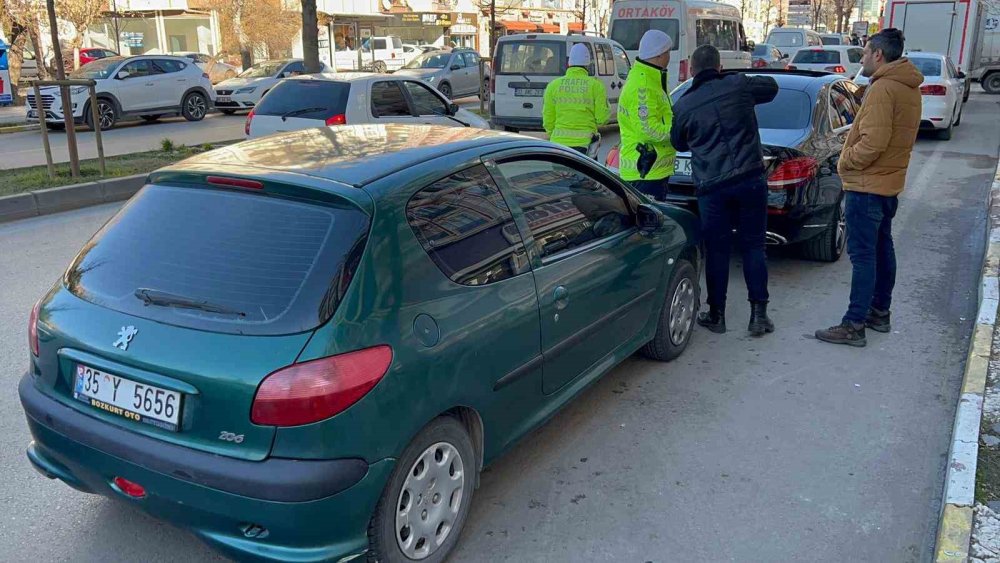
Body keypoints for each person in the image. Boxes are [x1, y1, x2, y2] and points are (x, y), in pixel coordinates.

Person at [815, 28, 922, 347]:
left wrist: (844, 161)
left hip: (867, 184)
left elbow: (873, 142)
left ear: (878, 54)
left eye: (864, 52)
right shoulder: (907, 86)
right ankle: (879, 313)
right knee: (881, 249)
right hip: (887, 184)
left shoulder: (883, 88)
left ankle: (853, 324)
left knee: (863, 257)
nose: (861, 58)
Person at [669, 45, 779, 336]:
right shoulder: (738, 84)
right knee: (753, 246)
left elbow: (678, 143)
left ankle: (716, 315)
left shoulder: (683, 104)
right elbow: (772, 87)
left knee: (717, 251)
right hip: (750, 178)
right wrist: (730, 78)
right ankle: (758, 315)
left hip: (712, 186)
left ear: (692, 70)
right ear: (719, 67)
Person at [618, 30, 676, 200]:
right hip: (645, 171)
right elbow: (647, 129)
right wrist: (676, 134)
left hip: (651, 169)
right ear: (659, 55)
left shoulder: (650, 79)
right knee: (649, 225)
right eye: (667, 53)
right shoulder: (643, 85)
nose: (669, 57)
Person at [542, 44, 610, 156]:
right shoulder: (596, 86)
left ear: (569, 63)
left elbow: (548, 120)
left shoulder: (553, 86)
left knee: (558, 174)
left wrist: (554, 135)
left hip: (558, 145)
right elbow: (602, 119)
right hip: (585, 147)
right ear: (588, 64)